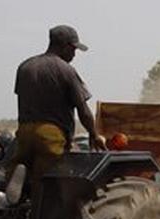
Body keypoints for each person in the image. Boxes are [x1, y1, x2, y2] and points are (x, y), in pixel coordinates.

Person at [10, 25, 105, 188]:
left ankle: (14, 192)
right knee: (51, 180)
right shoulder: (66, 70)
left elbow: (21, 101)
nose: (74, 54)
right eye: (74, 49)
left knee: (22, 169)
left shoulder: (25, 67)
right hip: (50, 135)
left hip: (24, 133)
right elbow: (83, 110)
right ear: (65, 46)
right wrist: (94, 134)